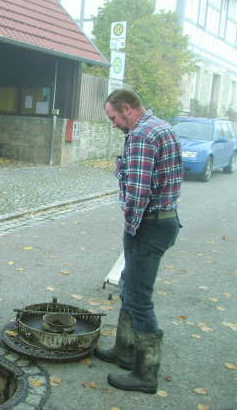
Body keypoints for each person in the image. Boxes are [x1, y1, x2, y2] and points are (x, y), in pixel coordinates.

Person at [96, 89, 183, 394]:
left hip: (149, 225)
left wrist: (132, 228)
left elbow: (139, 192)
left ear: (128, 109)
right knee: (128, 286)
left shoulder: (143, 136)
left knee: (138, 297)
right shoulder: (160, 126)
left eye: (113, 117)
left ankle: (146, 373)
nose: (113, 124)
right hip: (163, 220)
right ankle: (124, 351)